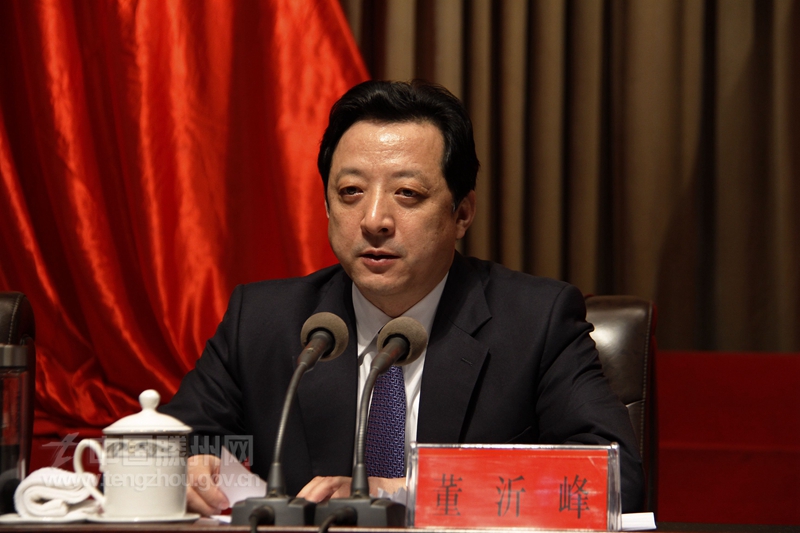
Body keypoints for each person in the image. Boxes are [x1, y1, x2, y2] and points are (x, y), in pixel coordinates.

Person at [161, 80, 645, 516]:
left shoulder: (535, 321)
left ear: (462, 213)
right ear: (326, 205)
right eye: (350, 191)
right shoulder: (264, 321)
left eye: (407, 193)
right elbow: (173, 447)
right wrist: (187, 468)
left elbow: (613, 479)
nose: (374, 220)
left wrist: (406, 492)